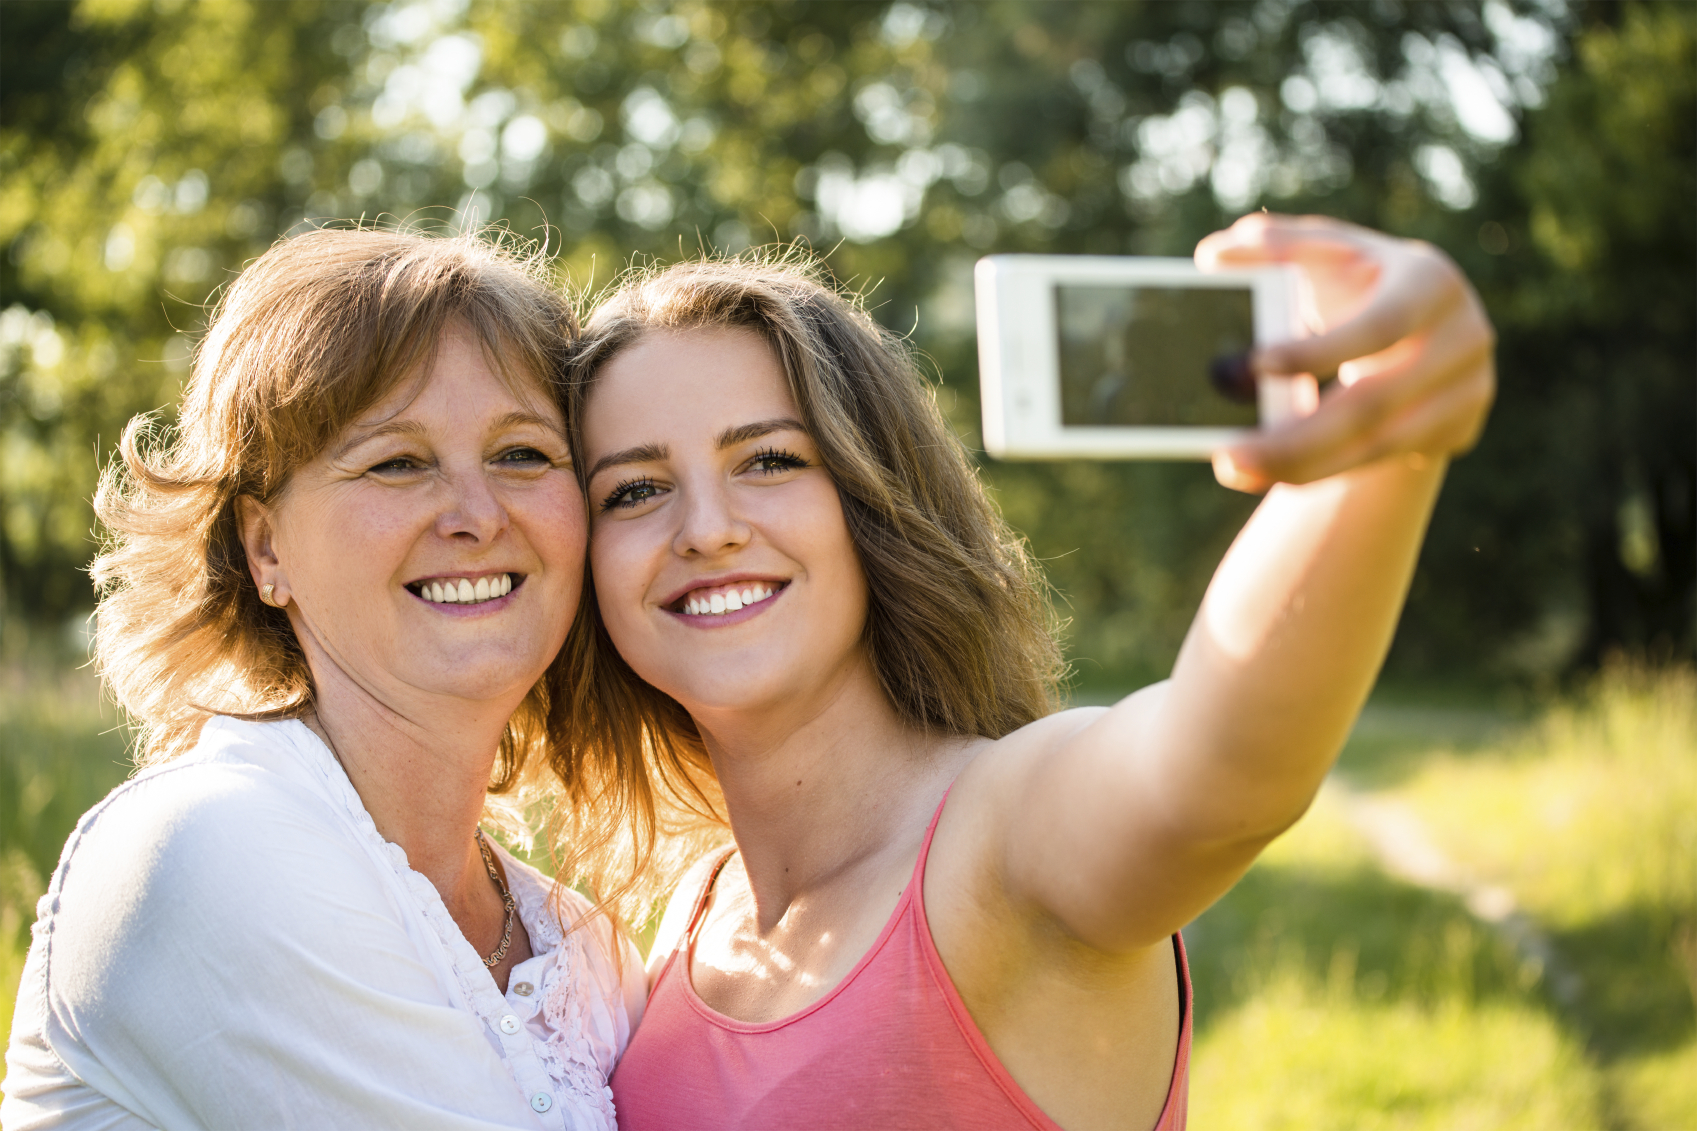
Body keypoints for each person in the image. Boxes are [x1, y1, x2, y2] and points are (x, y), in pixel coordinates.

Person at [562, 213, 1495, 1130]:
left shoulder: (1003, 837)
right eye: (634, 489)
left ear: (873, 497)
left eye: (768, 459)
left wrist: (1387, 446)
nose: (705, 528)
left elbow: (1216, 772)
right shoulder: (694, 911)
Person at [2, 228, 646, 1130]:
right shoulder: (208, 846)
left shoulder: (582, 948)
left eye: (523, 454)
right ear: (267, 548)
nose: (474, 514)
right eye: (397, 462)